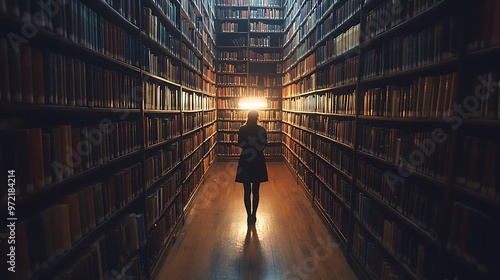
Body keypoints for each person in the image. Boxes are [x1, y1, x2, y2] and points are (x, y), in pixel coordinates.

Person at [235, 110, 268, 224]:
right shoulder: (262, 130)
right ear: (257, 117)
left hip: (246, 159)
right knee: (256, 190)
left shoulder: (242, 129)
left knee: (246, 190)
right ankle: (254, 214)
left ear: (247, 117)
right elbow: (264, 145)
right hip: (257, 159)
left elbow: (240, 144)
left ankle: (248, 215)